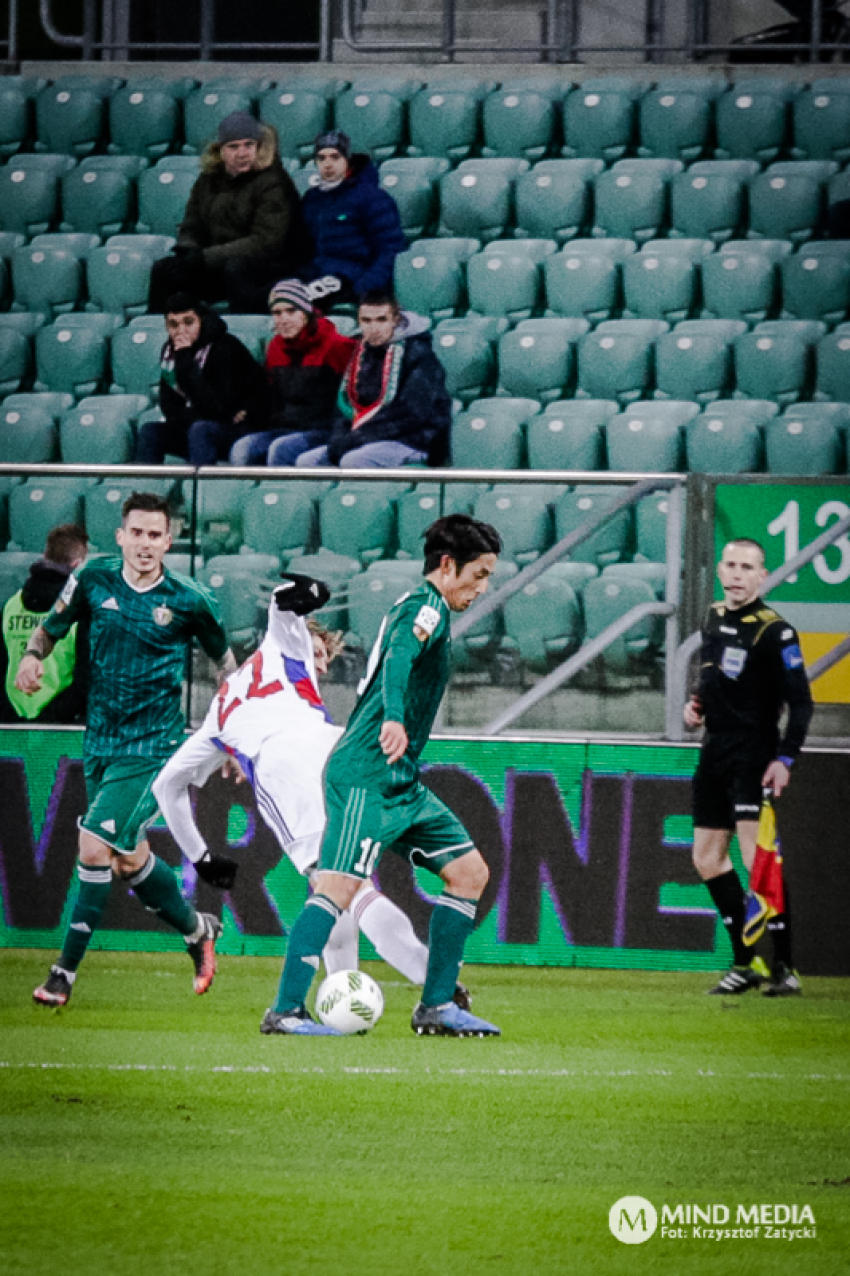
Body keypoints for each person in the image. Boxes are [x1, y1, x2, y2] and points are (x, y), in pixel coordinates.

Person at [152, 572, 467, 1003]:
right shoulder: (285, 646)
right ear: (309, 642)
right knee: (344, 885)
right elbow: (283, 608)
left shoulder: (218, 718)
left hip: (288, 768)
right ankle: (355, 991)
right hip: (339, 757)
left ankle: (430, 980)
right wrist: (309, 593)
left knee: (344, 889)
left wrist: (200, 857)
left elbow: (166, 787)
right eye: (318, 654)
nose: (320, 663)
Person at [262, 513, 503, 1037]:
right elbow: (398, 661)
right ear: (447, 565)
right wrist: (394, 716)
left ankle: (436, 1006)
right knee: (337, 887)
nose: (482, 587)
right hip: (365, 773)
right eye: (479, 574)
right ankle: (284, 1010)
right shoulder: (425, 609)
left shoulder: (429, 608)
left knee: (469, 873)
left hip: (400, 780)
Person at [15, 492, 236, 1008]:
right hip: (101, 741)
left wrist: (231, 736)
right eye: (136, 533)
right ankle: (196, 929)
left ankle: (61, 973)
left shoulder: (190, 598)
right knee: (126, 858)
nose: (144, 543)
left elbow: (229, 669)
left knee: (93, 845)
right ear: (120, 536)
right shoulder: (94, 579)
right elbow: (51, 629)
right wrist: (31, 657)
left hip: (154, 747)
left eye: (154, 535)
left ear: (168, 540)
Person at [684, 537, 813, 998]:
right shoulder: (714, 617)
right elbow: (711, 673)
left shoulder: (775, 631)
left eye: (748, 567)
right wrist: (695, 705)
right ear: (720, 570)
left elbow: (801, 704)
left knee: (756, 859)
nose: (738, 574)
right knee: (705, 857)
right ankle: (746, 961)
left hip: (754, 752)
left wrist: (785, 759)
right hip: (714, 748)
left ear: (762, 576)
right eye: (732, 565)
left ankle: (786, 967)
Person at [147, 110, 308, 315]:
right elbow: (192, 225)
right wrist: (189, 251)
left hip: (264, 267)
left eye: (249, 145)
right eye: (234, 146)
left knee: (237, 268)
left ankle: (242, 328)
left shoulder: (274, 182)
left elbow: (265, 242)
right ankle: (161, 331)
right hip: (216, 263)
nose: (242, 153)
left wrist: (205, 257)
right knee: (166, 270)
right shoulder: (208, 179)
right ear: (220, 150)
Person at [293, 290, 451, 469]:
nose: (373, 328)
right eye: (366, 321)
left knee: (354, 461)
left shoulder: (420, 355)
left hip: (412, 441)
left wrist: (357, 438)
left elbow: (411, 414)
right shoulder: (361, 353)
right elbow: (344, 406)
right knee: (306, 462)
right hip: (364, 438)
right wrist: (340, 439)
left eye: (381, 320)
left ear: (396, 320)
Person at [228, 280, 356, 467]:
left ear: (306, 313)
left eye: (291, 311)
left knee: (281, 449)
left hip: (322, 428)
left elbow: (349, 398)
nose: (283, 319)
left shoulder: (337, 346)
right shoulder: (275, 347)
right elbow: (269, 397)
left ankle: (277, 496)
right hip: (284, 427)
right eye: (277, 313)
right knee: (242, 448)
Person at [135, 293, 268, 466]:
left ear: (201, 320)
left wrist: (185, 360)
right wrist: (193, 416)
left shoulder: (224, 347)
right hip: (197, 424)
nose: (181, 330)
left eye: (188, 322)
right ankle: (145, 491)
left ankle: (201, 490)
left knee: (201, 430)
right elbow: (168, 405)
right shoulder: (169, 352)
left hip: (237, 430)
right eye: (173, 324)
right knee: (150, 431)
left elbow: (218, 407)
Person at [299, 130, 407, 311]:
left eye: (335, 157)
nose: (328, 164)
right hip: (317, 277)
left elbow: (390, 249)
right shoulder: (312, 199)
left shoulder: (372, 198)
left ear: (347, 159)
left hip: (354, 281)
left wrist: (364, 287)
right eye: (322, 158)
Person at [2, 523, 89, 724]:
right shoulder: (78, 610)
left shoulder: (10, 606)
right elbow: (85, 678)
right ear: (77, 563)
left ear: (45, 554)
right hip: (62, 724)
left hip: (11, 719)